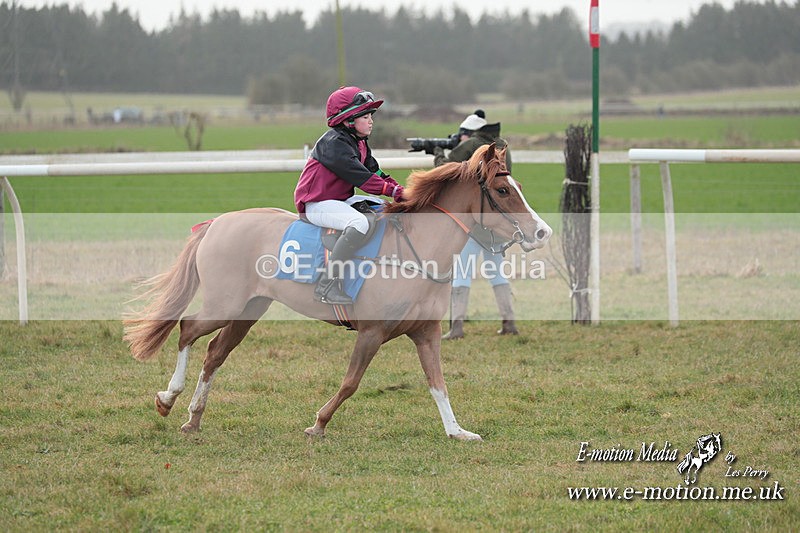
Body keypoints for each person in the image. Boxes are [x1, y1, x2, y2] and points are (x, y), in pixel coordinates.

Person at [294, 86, 404, 305]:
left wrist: (399, 191)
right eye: (365, 116)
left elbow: (376, 172)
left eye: (371, 115)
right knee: (359, 223)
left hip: (339, 200)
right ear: (348, 120)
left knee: (382, 207)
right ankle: (327, 286)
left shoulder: (359, 142)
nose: (371, 120)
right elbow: (364, 179)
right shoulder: (334, 144)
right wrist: (395, 192)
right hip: (316, 203)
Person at [433, 109, 518, 340]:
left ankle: (457, 327)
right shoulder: (501, 147)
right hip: (497, 225)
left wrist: (438, 152)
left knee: (462, 272)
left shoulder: (472, 146)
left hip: (474, 224)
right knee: (497, 272)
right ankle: (509, 321)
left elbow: (446, 169)